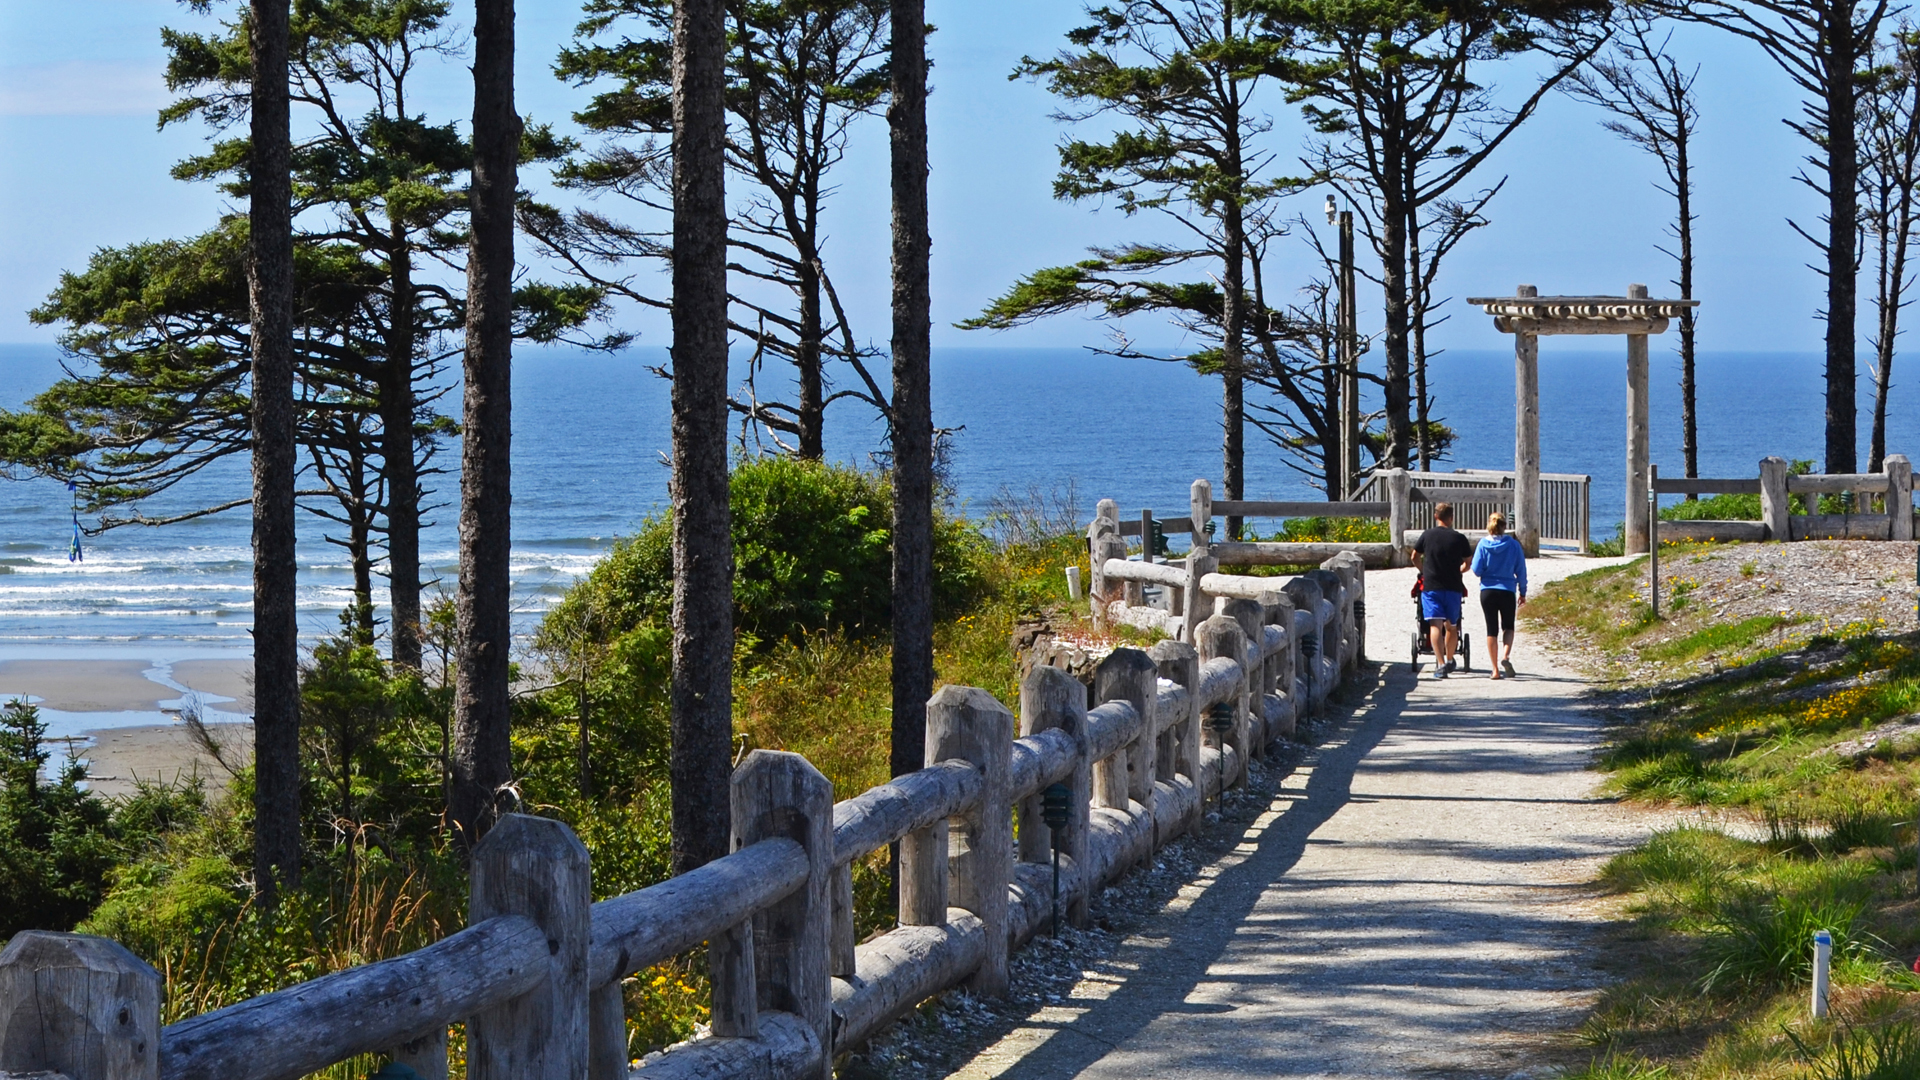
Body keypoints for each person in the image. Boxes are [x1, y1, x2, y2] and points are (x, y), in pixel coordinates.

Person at [1412, 502, 1472, 679]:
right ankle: (1450, 657)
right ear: (1451, 518)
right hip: (1453, 587)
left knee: (1434, 625)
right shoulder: (1459, 538)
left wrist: (1423, 570)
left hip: (1431, 586)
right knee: (1452, 626)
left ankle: (1440, 663)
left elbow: (1414, 556)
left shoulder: (1427, 535)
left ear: (1436, 516)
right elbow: (1468, 562)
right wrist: (1459, 570)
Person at [1471, 512, 1529, 678]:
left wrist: (1487, 571)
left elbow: (1476, 569)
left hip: (1487, 590)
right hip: (1507, 589)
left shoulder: (1482, 545)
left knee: (1491, 629)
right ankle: (1505, 655)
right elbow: (1521, 570)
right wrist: (1523, 591)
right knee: (1508, 626)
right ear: (1504, 526)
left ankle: (1495, 669)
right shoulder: (1513, 545)